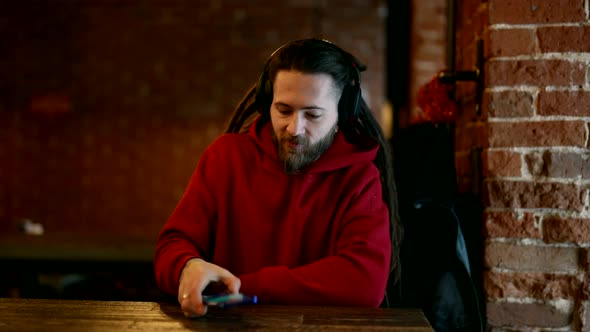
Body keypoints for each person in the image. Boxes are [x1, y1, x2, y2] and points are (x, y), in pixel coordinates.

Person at [153, 38, 402, 317]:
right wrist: (186, 266)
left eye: (313, 114)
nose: (295, 128)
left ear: (342, 115)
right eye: (283, 110)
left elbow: (365, 283)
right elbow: (172, 246)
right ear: (266, 101)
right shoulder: (225, 157)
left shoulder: (360, 177)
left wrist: (242, 287)